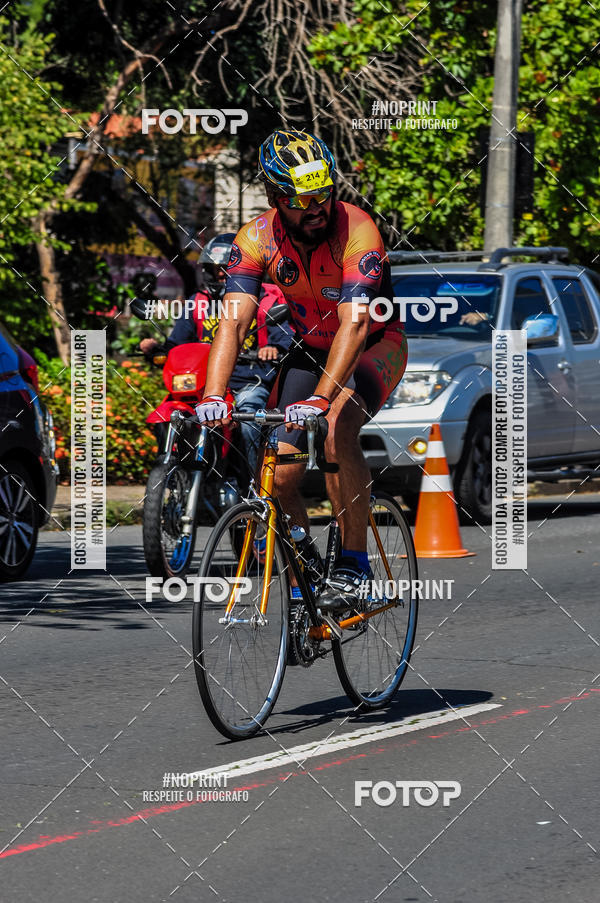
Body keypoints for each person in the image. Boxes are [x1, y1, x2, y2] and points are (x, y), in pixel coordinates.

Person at [195, 129, 408, 611]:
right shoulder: (255, 239)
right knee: (278, 470)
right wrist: (212, 394)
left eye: (324, 192)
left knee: (335, 427)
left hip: (374, 345)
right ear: (274, 196)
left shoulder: (358, 231)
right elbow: (233, 322)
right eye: (301, 198)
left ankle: (354, 566)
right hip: (310, 350)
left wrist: (320, 400)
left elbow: (355, 327)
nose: (316, 206)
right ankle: (306, 573)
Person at [140, 234, 293, 476]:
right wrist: (157, 349)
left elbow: (285, 340)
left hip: (249, 382)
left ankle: (253, 489)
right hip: (205, 385)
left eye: (229, 268)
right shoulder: (198, 302)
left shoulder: (267, 301)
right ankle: (176, 478)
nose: (222, 274)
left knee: (248, 422)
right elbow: (177, 343)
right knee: (172, 416)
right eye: (216, 268)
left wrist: (272, 349)